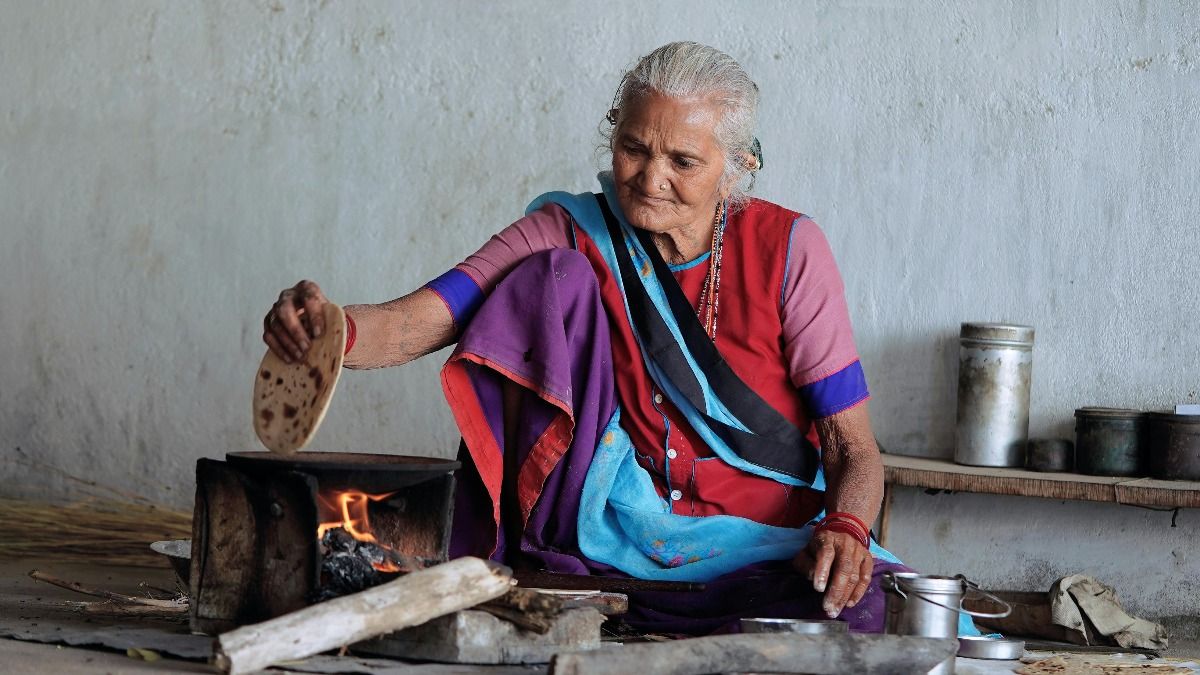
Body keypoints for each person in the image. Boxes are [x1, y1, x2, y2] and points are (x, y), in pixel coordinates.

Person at [262, 42, 972, 636]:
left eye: (683, 162)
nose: (650, 177)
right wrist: (327, 330)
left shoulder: (791, 250)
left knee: (870, 614)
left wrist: (846, 528)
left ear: (737, 170)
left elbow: (853, 447)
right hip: (607, 535)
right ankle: (569, 574)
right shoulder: (573, 228)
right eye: (633, 147)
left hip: (766, 545)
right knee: (551, 279)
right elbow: (429, 314)